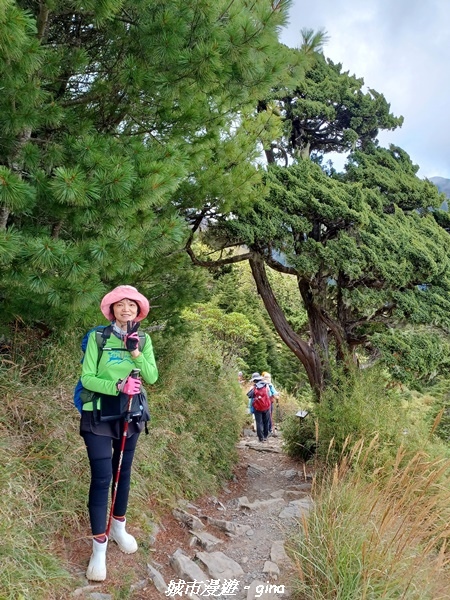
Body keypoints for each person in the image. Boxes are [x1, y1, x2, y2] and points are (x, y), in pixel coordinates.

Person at [80, 285, 158, 582]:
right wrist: (116, 387)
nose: (126, 309)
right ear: (111, 309)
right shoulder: (98, 338)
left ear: (139, 311)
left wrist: (136, 352)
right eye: (120, 304)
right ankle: (98, 548)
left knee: (123, 474)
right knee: (102, 478)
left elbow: (151, 376)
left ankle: (118, 528)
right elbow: (87, 377)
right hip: (99, 415)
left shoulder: (144, 340)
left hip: (131, 415)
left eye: (132, 305)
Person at [247, 373, 273, 442]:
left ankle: (260, 438)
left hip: (257, 407)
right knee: (266, 422)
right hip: (266, 407)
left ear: (254, 380)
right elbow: (270, 394)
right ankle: (265, 436)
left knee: (259, 422)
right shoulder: (266, 385)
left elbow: (249, 396)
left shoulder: (254, 387)